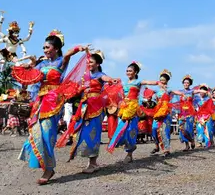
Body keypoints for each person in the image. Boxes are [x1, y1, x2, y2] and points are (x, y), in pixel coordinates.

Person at [14, 30, 90, 184]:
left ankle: (49, 169)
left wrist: (78, 49)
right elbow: (30, 72)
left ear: (56, 48)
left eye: (47, 47)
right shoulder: (42, 63)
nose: (44, 50)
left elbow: (68, 54)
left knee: (48, 134)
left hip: (54, 100)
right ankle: (44, 165)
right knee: (36, 131)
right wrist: (27, 64)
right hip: (40, 100)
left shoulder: (61, 61)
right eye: (43, 48)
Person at [56, 50, 118, 174]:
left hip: (96, 108)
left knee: (93, 133)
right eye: (88, 62)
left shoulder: (100, 74)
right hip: (84, 106)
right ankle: (92, 162)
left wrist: (112, 80)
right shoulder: (85, 76)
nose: (89, 64)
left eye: (91, 62)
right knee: (83, 132)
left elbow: (106, 78)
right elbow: (78, 89)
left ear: (98, 64)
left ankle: (93, 163)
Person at [107, 61, 163, 163]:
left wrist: (158, 83)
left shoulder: (138, 82)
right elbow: (114, 87)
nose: (128, 72)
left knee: (131, 130)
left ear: (135, 72)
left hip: (133, 108)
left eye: (130, 71)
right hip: (124, 108)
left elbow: (147, 82)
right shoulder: (123, 82)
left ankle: (129, 154)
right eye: (127, 71)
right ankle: (123, 144)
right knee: (121, 129)